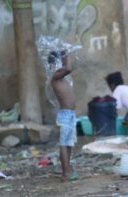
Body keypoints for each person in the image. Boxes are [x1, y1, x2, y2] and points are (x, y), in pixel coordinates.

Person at [48, 50, 78, 182]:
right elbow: (69, 68)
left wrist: (65, 56)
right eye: (58, 63)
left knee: (69, 143)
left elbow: (67, 69)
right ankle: (65, 172)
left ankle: (67, 167)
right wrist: (68, 55)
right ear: (53, 65)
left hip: (70, 114)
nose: (61, 66)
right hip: (66, 115)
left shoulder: (61, 78)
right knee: (64, 143)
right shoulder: (55, 77)